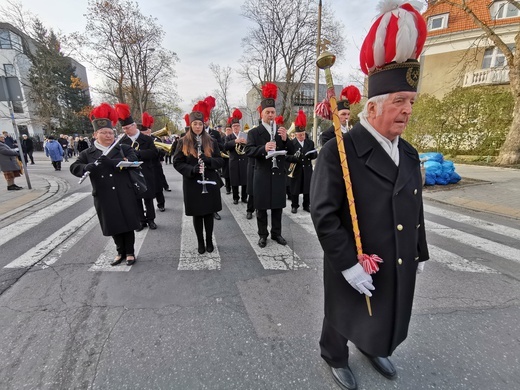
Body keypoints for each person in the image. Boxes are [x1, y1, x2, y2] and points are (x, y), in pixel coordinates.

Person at [310, 2, 429, 389]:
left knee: (385, 305)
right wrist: (347, 263)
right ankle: (335, 353)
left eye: (411, 102)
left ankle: (375, 344)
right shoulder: (340, 151)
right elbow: (324, 213)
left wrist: (418, 249)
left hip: (395, 251)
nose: (407, 111)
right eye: (399, 102)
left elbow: (415, 207)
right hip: (357, 253)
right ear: (374, 106)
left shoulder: (408, 153)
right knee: (343, 309)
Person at [70, 103, 141, 266]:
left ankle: (130, 252)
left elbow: (134, 160)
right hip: (104, 194)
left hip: (124, 191)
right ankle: (120, 251)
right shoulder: (87, 153)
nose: (108, 136)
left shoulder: (122, 148)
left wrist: (112, 162)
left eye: (110, 132)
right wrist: (85, 167)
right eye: (104, 133)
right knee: (114, 223)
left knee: (128, 222)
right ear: (96, 134)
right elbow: (74, 167)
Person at [245, 83, 294, 248]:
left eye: (273, 112)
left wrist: (287, 139)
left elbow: (291, 151)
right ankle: (262, 235)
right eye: (268, 112)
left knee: (277, 207)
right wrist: (263, 148)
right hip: (262, 174)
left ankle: (276, 233)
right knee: (261, 208)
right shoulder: (254, 132)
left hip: (278, 174)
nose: (271, 115)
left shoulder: (281, 131)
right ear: (262, 114)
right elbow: (248, 150)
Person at [173, 102, 224, 254]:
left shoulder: (212, 141)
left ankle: (209, 240)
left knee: (208, 213)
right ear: (191, 124)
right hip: (192, 183)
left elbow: (220, 161)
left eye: (200, 124)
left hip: (209, 181)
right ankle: (200, 242)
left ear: (203, 125)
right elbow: (177, 162)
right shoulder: (183, 141)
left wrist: (209, 161)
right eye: (195, 124)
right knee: (197, 214)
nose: (197, 127)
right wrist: (192, 169)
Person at [116, 103, 159, 231]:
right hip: (131, 173)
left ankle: (151, 219)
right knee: (136, 199)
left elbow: (154, 153)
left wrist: (138, 153)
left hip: (146, 171)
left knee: (148, 197)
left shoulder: (146, 139)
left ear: (134, 125)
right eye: (123, 129)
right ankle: (141, 221)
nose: (126, 131)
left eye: (128, 128)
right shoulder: (122, 141)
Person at [286, 110, 317, 214]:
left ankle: (306, 205)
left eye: (303, 134)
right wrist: (294, 158)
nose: (301, 136)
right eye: (299, 135)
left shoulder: (310, 142)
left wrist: (312, 154)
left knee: (307, 188)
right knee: (295, 188)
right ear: (295, 134)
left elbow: (314, 154)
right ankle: (294, 205)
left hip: (307, 169)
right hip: (296, 169)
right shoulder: (291, 143)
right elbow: (287, 156)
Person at [224, 109, 248, 206]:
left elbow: (249, 146)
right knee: (234, 180)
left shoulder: (244, 135)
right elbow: (225, 146)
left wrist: (246, 143)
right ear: (232, 127)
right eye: (234, 126)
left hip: (243, 160)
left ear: (240, 126)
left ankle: (244, 197)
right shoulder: (229, 137)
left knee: (244, 180)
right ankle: (235, 197)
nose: (236, 128)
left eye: (237, 126)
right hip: (233, 160)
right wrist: (235, 141)